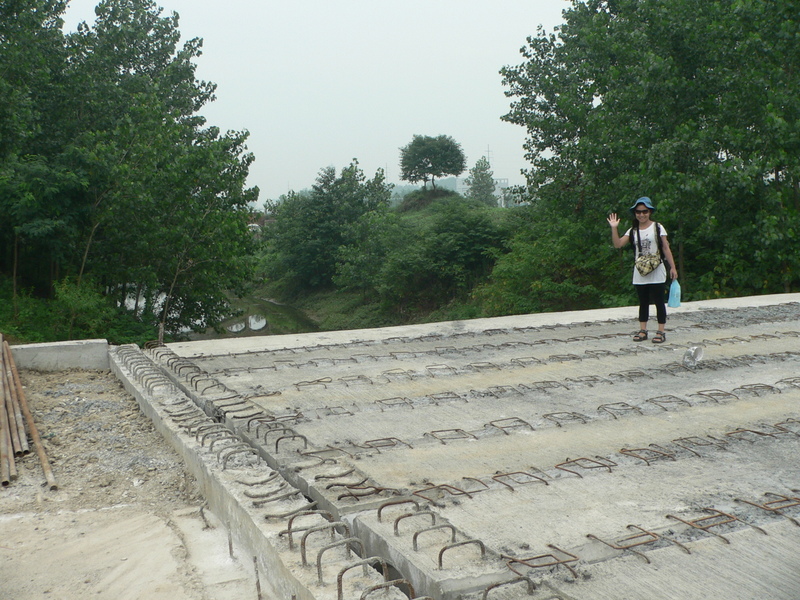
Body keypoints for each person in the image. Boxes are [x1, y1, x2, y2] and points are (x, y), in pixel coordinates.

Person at [607, 197, 678, 343]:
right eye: (638, 212)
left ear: (650, 212)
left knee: (659, 301)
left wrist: (672, 267)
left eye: (644, 211)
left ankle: (661, 331)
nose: (641, 214)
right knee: (643, 301)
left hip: (657, 268)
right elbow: (618, 244)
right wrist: (614, 228)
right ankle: (643, 329)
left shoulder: (658, 227)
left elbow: (665, 248)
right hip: (640, 270)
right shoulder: (632, 230)